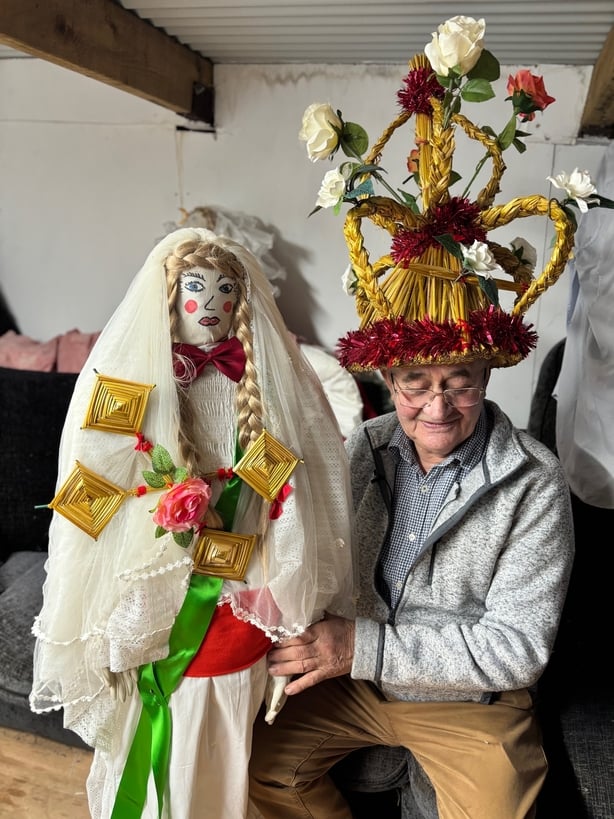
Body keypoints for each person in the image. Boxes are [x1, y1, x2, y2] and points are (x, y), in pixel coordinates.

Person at [247, 15, 612, 819]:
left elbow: (518, 649)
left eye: (461, 381)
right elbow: (310, 547)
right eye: (415, 381)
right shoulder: (363, 444)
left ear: (487, 374)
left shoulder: (533, 482)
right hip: (356, 681)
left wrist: (358, 643)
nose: (437, 405)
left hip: (473, 703)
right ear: (387, 377)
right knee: (254, 767)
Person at [30, 227, 355, 818]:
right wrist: (95, 560)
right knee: (154, 730)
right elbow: (92, 482)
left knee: (218, 746)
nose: (210, 304)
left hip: (234, 587)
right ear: (170, 296)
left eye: (225, 290)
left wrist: (282, 564)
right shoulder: (131, 382)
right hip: (150, 588)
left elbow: (297, 482)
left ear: (241, 302)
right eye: (195, 288)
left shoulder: (262, 387)